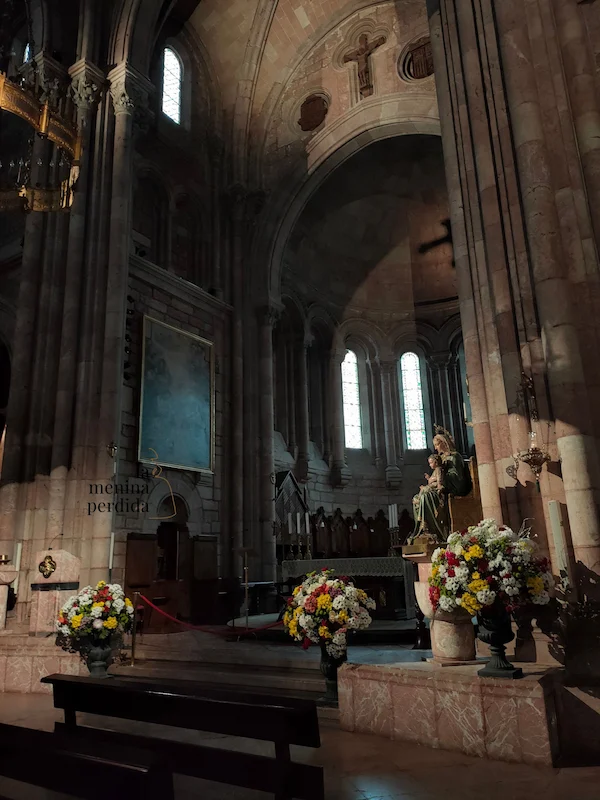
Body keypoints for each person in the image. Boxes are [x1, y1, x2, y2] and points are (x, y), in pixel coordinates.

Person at [410, 426, 472, 543]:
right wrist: (431, 481)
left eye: (437, 444)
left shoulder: (454, 456)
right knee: (417, 498)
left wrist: (438, 481)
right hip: (439, 487)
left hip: (450, 489)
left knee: (427, 497)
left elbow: (457, 477)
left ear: (444, 443)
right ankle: (423, 530)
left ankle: (436, 533)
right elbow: (435, 477)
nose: (435, 447)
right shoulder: (441, 459)